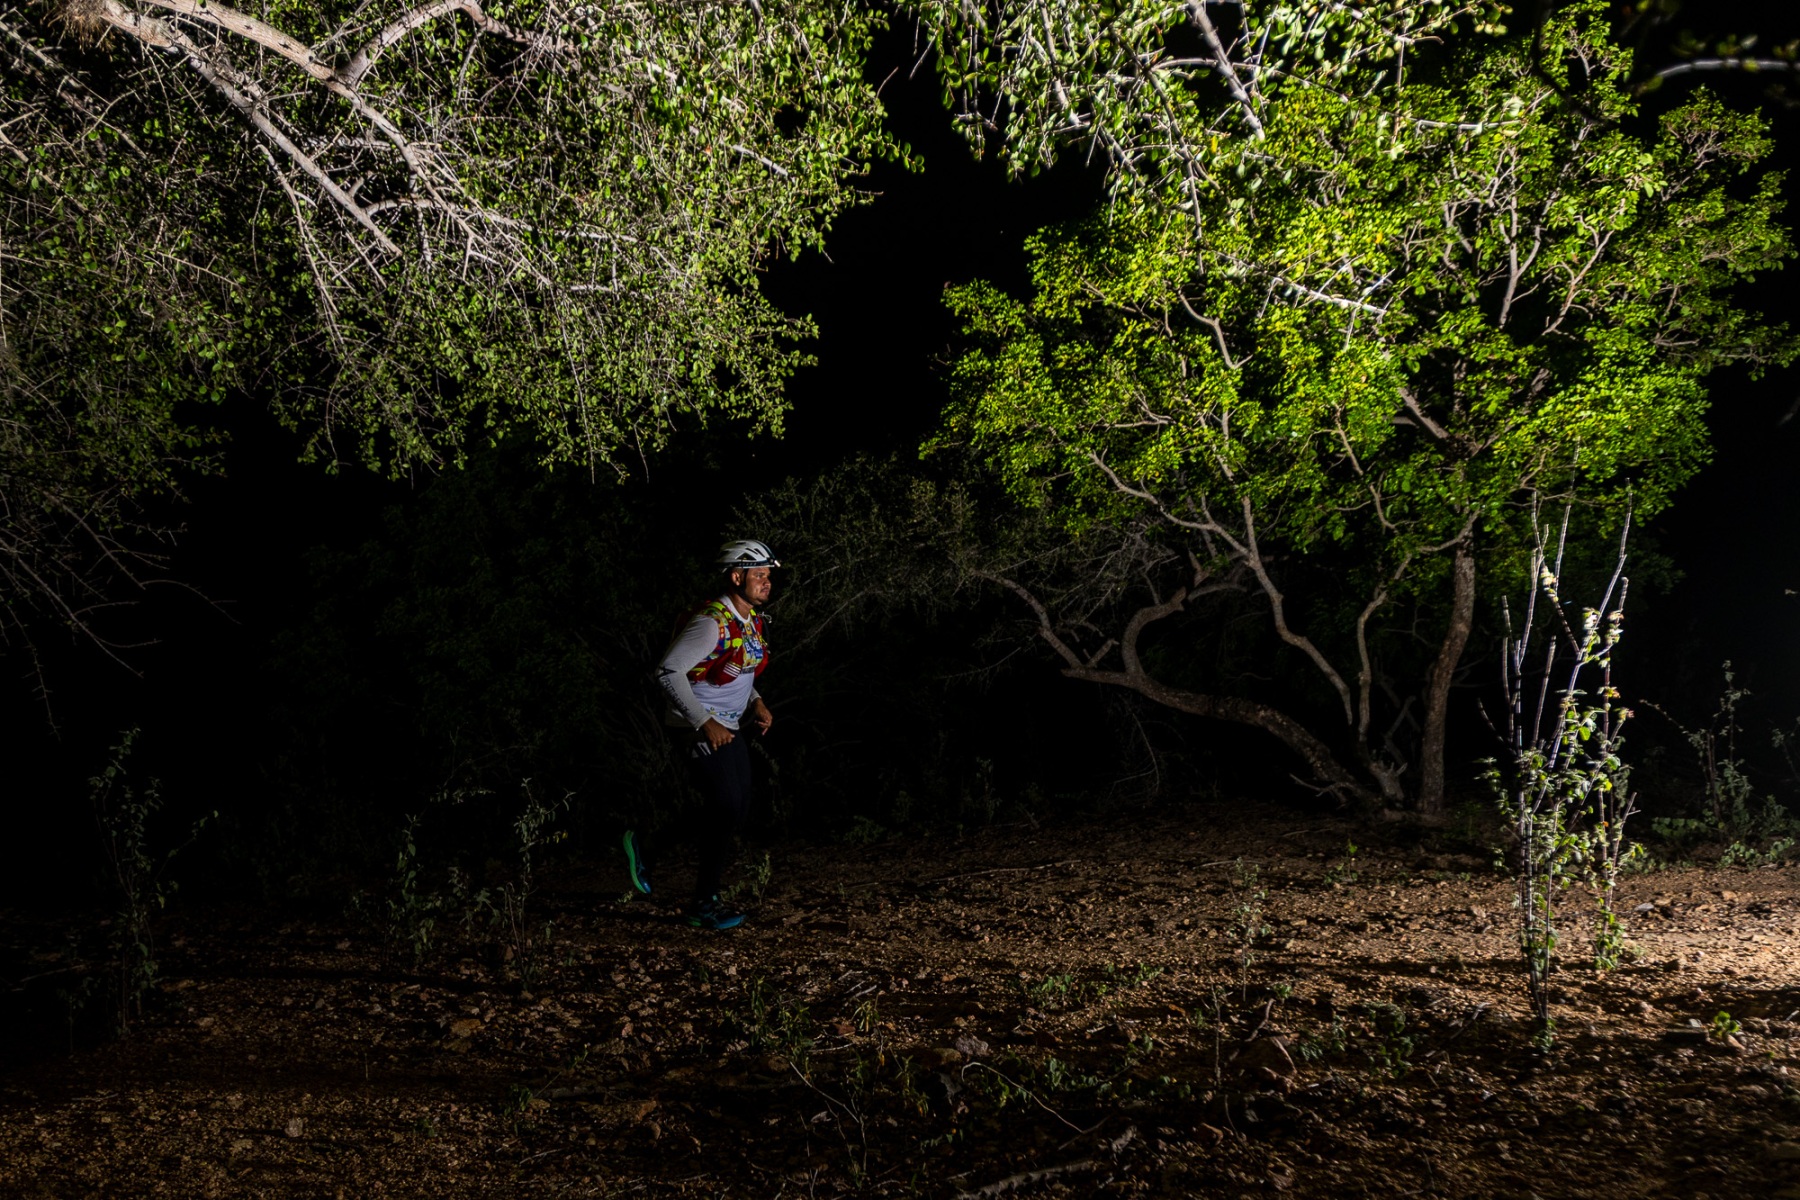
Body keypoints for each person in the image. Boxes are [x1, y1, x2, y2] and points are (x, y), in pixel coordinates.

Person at [626, 539, 778, 930]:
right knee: (725, 806)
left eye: (768, 575)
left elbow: (742, 668)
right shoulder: (711, 622)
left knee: (735, 809)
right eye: (759, 575)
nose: (767, 582)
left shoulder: (750, 620)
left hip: (728, 724)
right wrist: (703, 722)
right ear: (736, 577)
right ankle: (703, 903)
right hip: (695, 724)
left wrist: (757, 702)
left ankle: (649, 846)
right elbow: (667, 672)